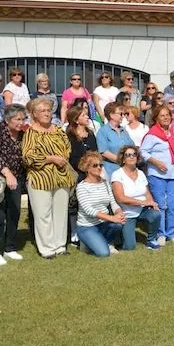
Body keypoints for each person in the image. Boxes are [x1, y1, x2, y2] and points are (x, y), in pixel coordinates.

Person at [23, 98, 75, 259]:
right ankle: (47, 249)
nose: (46, 114)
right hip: (40, 178)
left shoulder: (59, 130)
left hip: (61, 176)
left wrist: (61, 158)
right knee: (42, 214)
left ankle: (60, 246)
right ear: (35, 114)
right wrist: (50, 159)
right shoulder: (30, 132)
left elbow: (67, 148)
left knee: (60, 212)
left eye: (48, 111)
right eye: (42, 111)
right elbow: (28, 156)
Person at [0, 104, 26, 266]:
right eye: (18, 119)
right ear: (8, 119)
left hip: (17, 178)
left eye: (23, 119)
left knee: (14, 213)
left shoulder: (23, 133)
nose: (21, 122)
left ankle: (10, 247)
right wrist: (7, 173)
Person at [140, 104, 174, 246]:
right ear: (156, 118)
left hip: (173, 174)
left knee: (173, 205)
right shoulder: (152, 134)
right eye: (162, 115)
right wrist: (156, 162)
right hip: (157, 175)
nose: (165, 117)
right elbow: (143, 152)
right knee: (160, 205)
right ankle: (160, 233)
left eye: (167, 115)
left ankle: (172, 233)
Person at [110, 145, 160, 250]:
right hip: (127, 213)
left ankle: (151, 240)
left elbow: (147, 193)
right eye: (128, 155)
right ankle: (118, 238)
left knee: (156, 214)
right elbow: (120, 198)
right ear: (123, 159)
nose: (132, 157)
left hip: (142, 210)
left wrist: (151, 202)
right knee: (130, 247)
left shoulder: (141, 173)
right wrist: (144, 203)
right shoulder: (117, 174)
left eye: (134, 154)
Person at [75, 151, 124, 256]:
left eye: (101, 165)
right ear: (87, 168)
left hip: (103, 223)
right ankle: (87, 242)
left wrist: (118, 212)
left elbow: (112, 202)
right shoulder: (82, 187)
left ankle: (107, 242)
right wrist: (111, 218)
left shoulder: (105, 182)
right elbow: (89, 210)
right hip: (87, 226)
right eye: (95, 165)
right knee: (104, 253)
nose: (99, 167)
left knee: (118, 225)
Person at [65, 105, 97, 245]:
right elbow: (71, 157)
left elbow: (95, 153)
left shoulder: (90, 134)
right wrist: (83, 168)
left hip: (92, 174)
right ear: (76, 120)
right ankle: (74, 232)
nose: (87, 117)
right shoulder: (69, 136)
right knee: (74, 204)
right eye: (84, 115)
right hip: (77, 175)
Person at [96, 102, 134, 180]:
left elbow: (132, 146)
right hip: (112, 171)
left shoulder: (123, 130)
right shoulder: (103, 131)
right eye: (120, 114)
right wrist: (123, 160)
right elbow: (104, 152)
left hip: (128, 170)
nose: (123, 116)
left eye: (123, 114)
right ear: (111, 115)